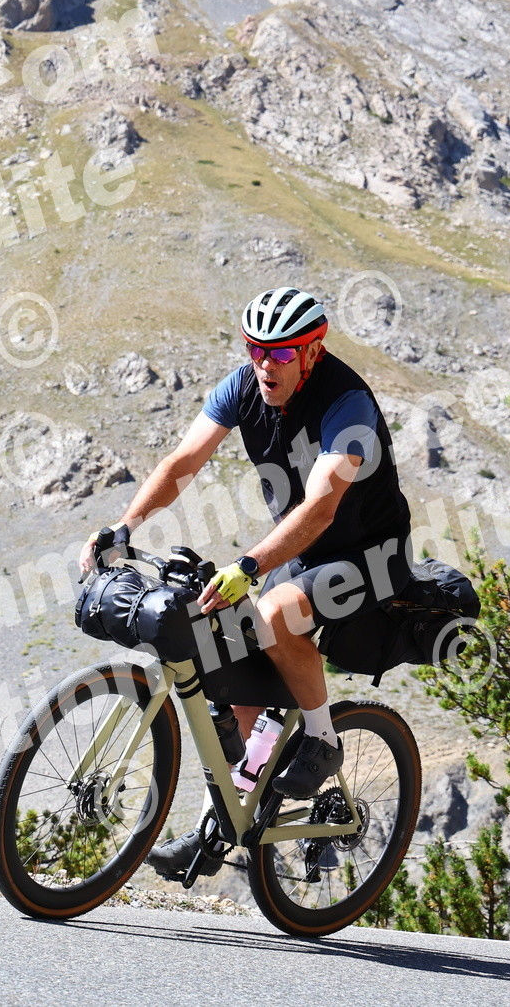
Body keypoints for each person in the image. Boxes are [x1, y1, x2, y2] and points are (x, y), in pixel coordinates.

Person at [77, 287, 414, 881]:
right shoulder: (243, 387)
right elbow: (181, 464)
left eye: (281, 353)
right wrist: (124, 527)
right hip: (300, 553)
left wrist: (250, 567)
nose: (265, 364)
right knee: (232, 665)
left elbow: (321, 508)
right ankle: (219, 825)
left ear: (312, 352)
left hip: (371, 555)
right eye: (256, 349)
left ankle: (321, 739)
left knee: (277, 614)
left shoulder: (347, 404)